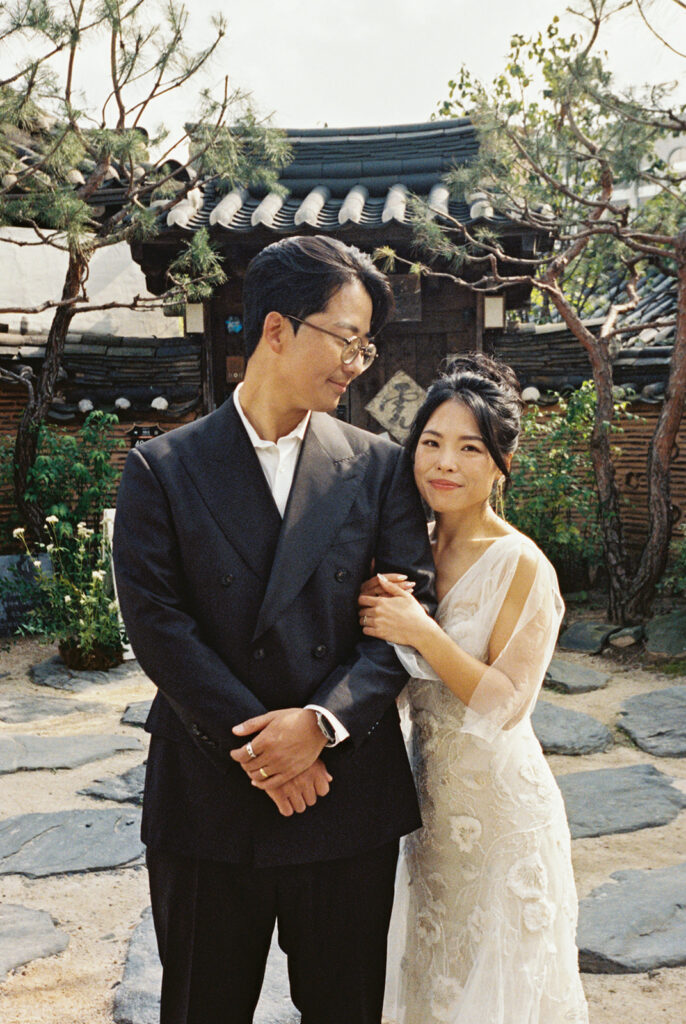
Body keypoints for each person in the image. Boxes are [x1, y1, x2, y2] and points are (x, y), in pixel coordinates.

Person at [112, 234, 435, 1024]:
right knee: (200, 1007)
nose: (358, 362)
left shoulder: (377, 465)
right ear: (277, 329)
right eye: (346, 338)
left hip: (345, 790)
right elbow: (157, 625)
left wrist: (321, 725)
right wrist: (266, 748)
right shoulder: (164, 467)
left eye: (368, 346)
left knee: (346, 1008)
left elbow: (403, 621)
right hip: (207, 793)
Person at [358, 354, 589, 1024]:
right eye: (431, 443)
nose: (444, 464)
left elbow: (507, 704)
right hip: (431, 808)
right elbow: (399, 686)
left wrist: (419, 631)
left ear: (498, 464)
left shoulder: (522, 564)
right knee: (437, 979)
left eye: (468, 448)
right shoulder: (411, 551)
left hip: (502, 813)